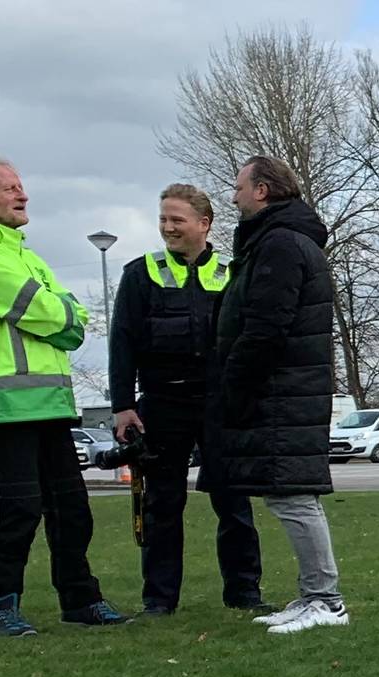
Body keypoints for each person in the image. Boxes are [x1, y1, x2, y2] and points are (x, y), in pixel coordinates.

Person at [0, 157, 132, 636]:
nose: (23, 194)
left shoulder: (25, 255)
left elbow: (73, 318)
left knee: (71, 508)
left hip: (48, 405)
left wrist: (59, 315)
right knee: (17, 508)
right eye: (10, 187)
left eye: (22, 186)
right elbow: (46, 310)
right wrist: (59, 315)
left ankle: (81, 601)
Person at [206, 156, 350, 636]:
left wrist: (235, 385)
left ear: (262, 191)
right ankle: (313, 595)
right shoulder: (276, 242)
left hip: (281, 392)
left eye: (239, 187)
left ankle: (326, 600)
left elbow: (267, 327)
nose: (233, 197)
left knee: (294, 496)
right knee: (285, 494)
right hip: (281, 391)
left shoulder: (282, 245)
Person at [109, 182, 267, 617]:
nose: (167, 227)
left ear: (204, 223)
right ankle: (159, 601)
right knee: (162, 504)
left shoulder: (234, 271)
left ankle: (244, 593)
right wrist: (123, 405)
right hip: (162, 403)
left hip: (222, 404)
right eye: (163, 219)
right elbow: (121, 342)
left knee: (233, 501)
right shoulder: (140, 273)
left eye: (176, 220)